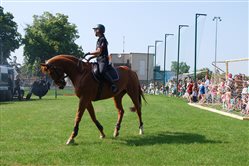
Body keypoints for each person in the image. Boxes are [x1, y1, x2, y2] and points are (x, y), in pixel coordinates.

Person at [85, 24, 118, 93]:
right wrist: (90, 58)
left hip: (103, 60)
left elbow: (99, 51)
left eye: (95, 30)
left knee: (102, 71)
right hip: (99, 60)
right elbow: (98, 53)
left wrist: (89, 53)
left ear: (99, 30)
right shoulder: (99, 40)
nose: (94, 32)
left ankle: (113, 84)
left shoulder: (103, 39)